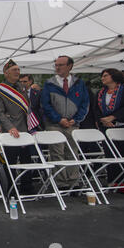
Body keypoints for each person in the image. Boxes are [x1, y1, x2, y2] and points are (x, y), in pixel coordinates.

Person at [41, 55, 90, 190]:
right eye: (56, 65)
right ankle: (61, 182)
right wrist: (58, 119)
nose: (57, 67)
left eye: (60, 65)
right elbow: (45, 105)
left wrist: (76, 119)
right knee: (57, 152)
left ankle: (73, 181)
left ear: (70, 66)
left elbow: (85, 104)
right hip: (54, 124)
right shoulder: (49, 83)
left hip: (73, 124)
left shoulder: (79, 83)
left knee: (73, 152)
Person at [0, 60, 37, 195]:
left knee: (27, 160)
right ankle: (10, 188)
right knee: (10, 161)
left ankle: (27, 187)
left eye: (18, 69)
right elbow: (0, 113)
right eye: (14, 70)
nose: (18, 72)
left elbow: (27, 108)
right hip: (11, 130)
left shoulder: (22, 87)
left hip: (25, 128)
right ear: (6, 73)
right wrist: (10, 127)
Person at [95, 68, 124, 185]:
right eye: (102, 76)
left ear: (114, 76)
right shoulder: (100, 92)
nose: (102, 78)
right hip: (106, 126)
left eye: (105, 75)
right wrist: (103, 120)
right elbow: (95, 108)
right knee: (110, 153)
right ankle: (113, 181)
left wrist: (114, 117)